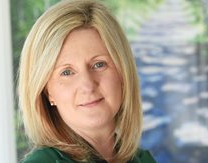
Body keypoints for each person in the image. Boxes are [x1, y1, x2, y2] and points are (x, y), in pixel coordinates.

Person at [18, 0, 156, 162]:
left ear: (123, 72)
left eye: (99, 64)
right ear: (47, 92)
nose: (87, 85)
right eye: (67, 72)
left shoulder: (142, 160)